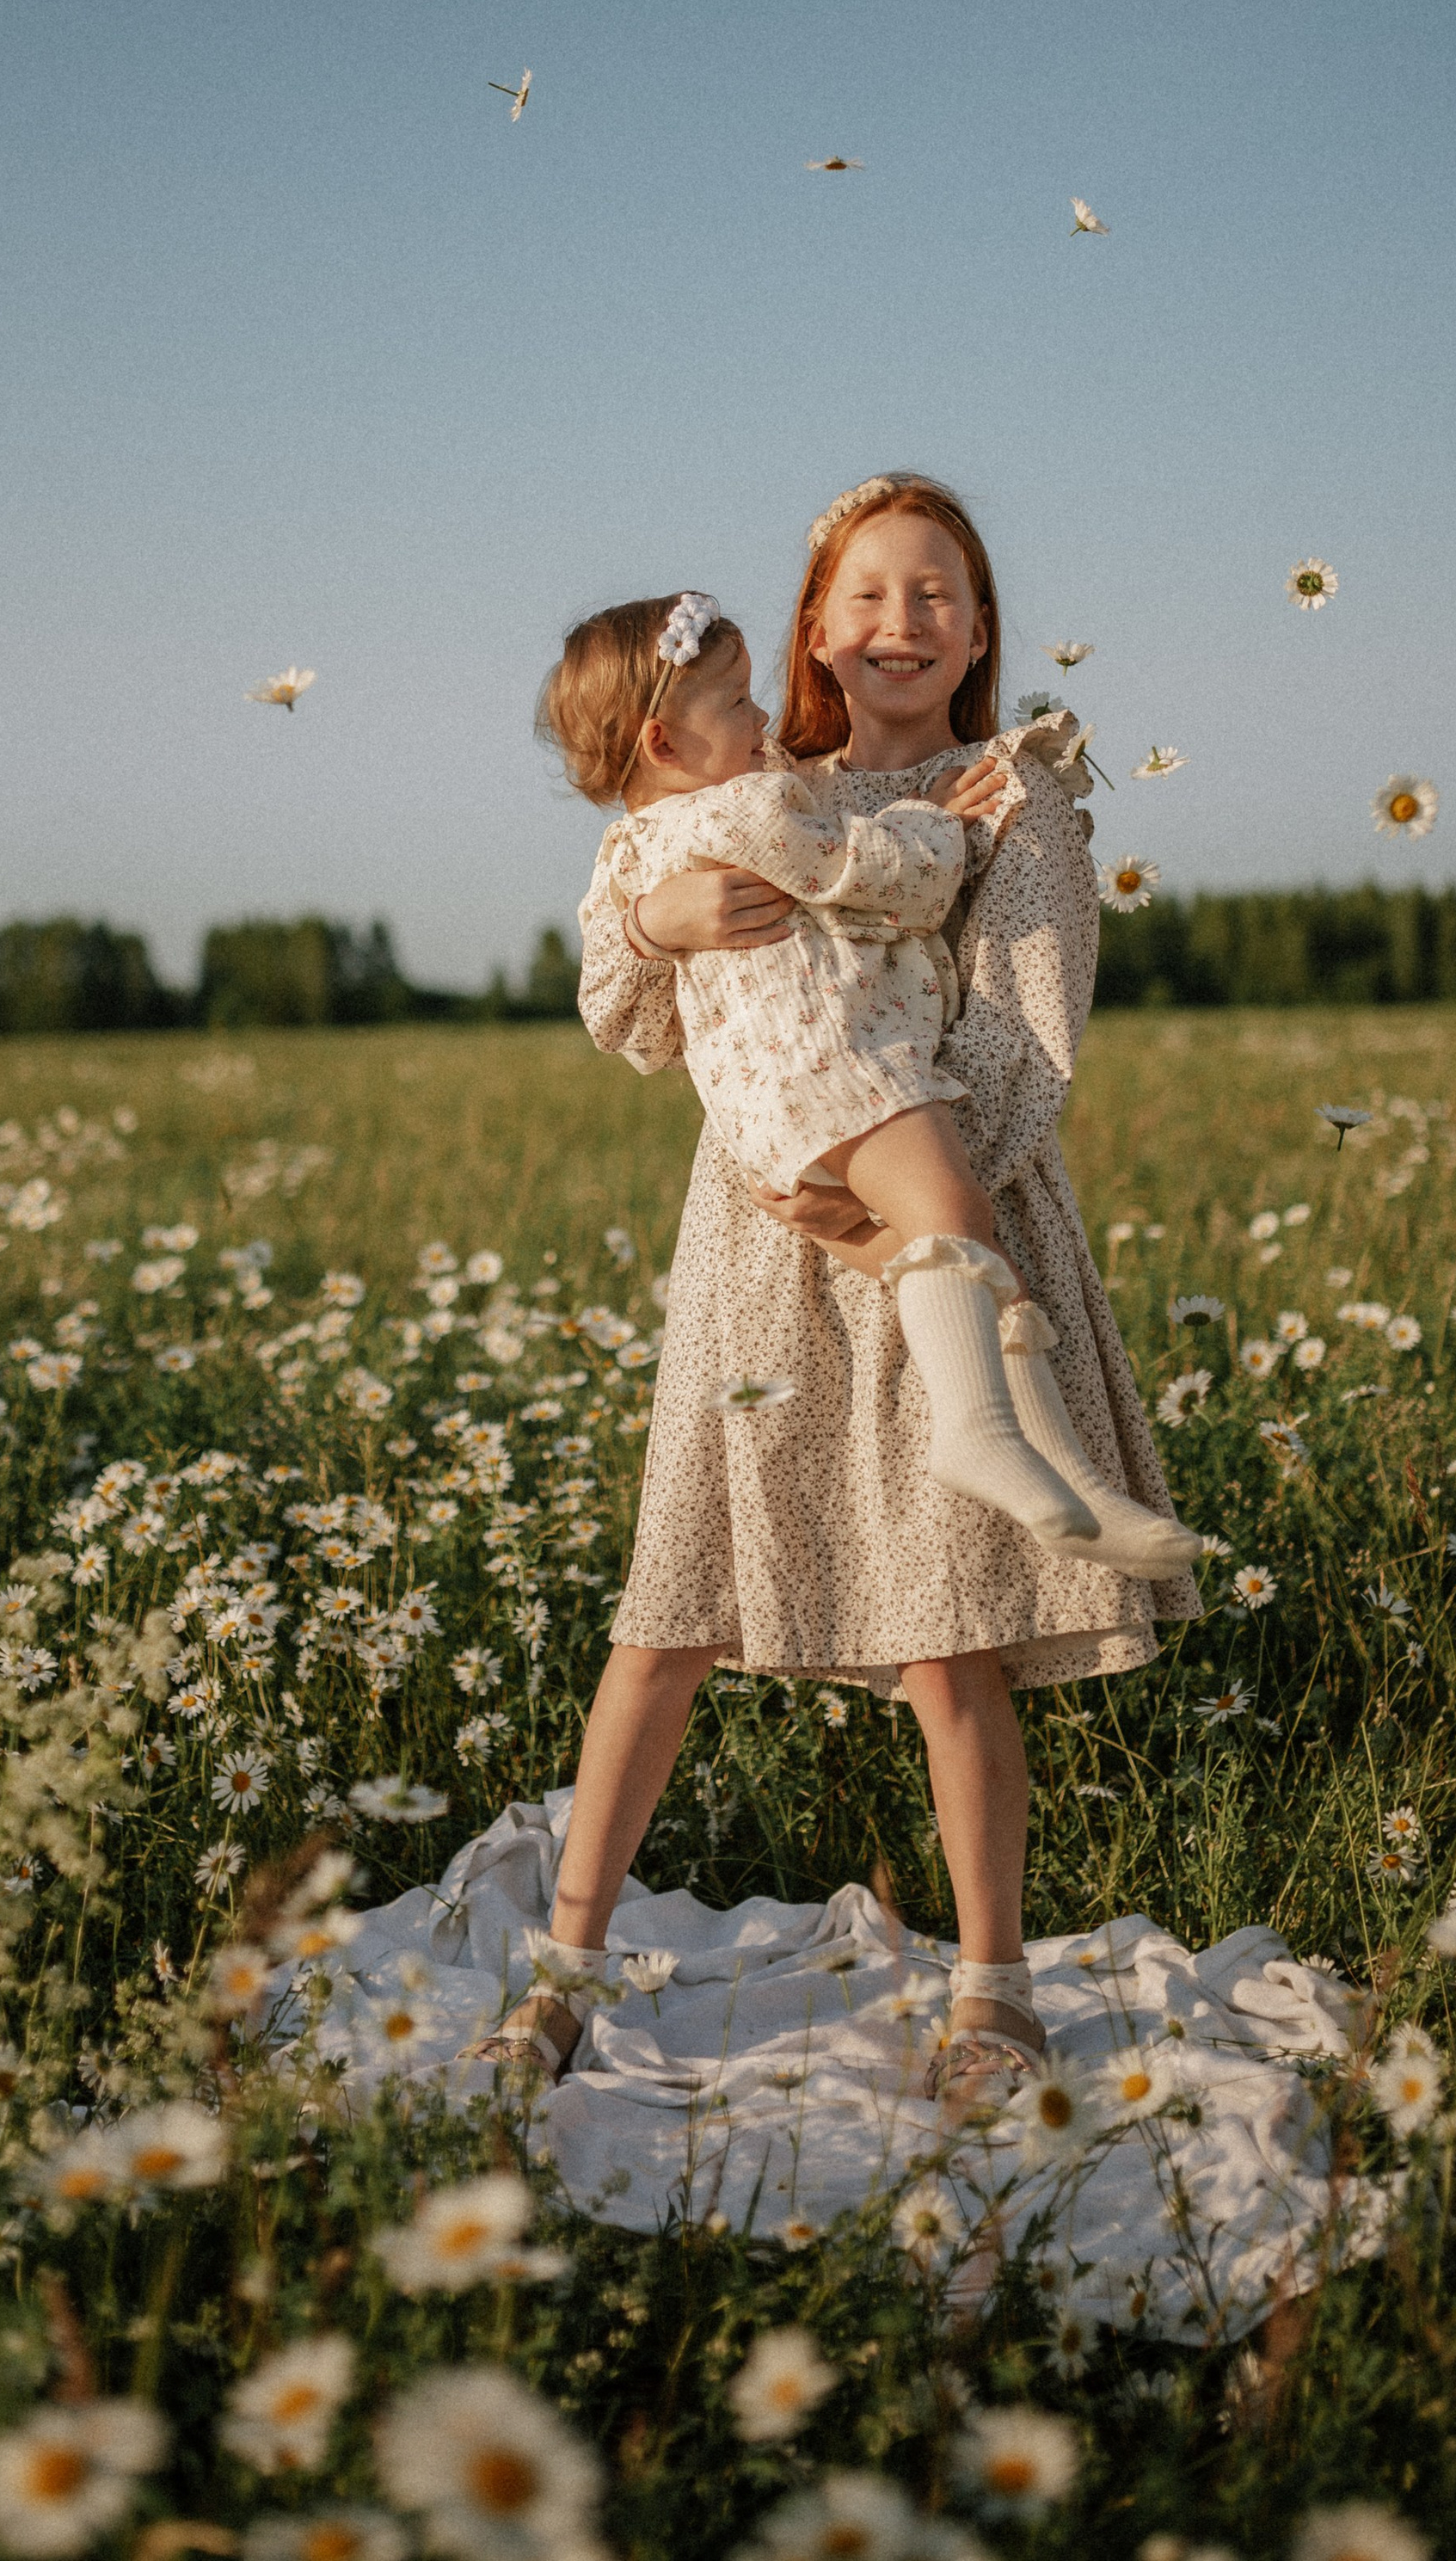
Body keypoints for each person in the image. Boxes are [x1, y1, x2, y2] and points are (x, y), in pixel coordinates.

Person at [470, 473, 1202, 2108]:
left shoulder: (1018, 803)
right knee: (668, 1615)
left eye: (936, 594)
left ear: (981, 628)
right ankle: (566, 1970)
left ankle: (991, 1987)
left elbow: (1030, 1035)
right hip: (753, 1247)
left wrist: (893, 1172)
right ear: (812, 627)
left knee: (953, 1642)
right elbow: (632, 1004)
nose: (899, 623)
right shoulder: (753, 779)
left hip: (941, 1206)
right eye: (866, 595)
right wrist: (655, 921)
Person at [541, 582, 1199, 1571]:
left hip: (773, 1113)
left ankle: (1071, 1487)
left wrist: (640, 922)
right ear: (666, 746)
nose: (761, 717)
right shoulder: (756, 808)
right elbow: (887, 880)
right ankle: (977, 1436)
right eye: (734, 704)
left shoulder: (627, 852)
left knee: (984, 1274)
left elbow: (609, 1012)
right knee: (955, 1207)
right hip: (831, 1070)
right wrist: (934, 821)